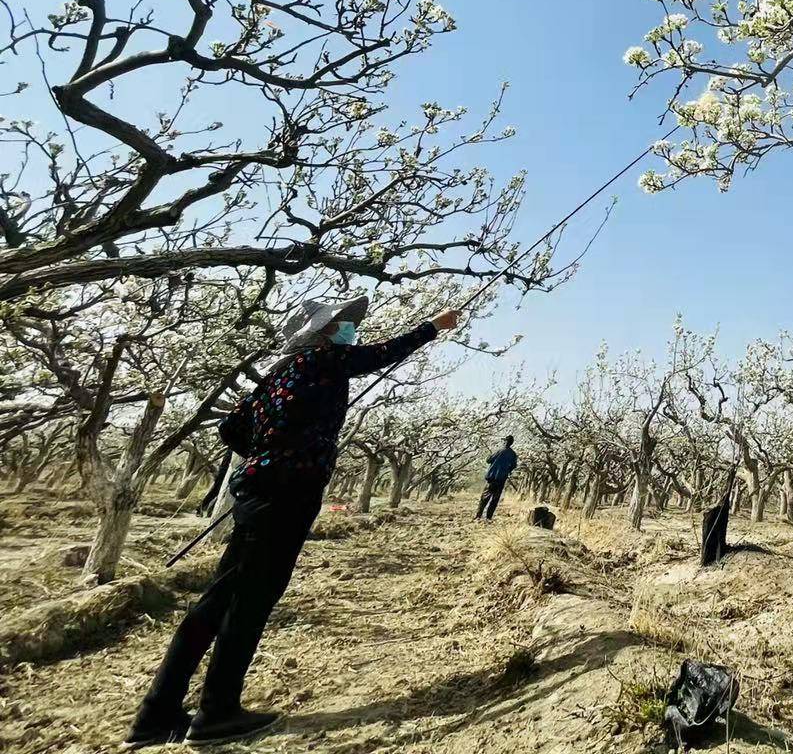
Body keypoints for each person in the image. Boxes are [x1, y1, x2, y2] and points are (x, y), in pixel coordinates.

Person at [126, 295, 455, 747]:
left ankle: (156, 713)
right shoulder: (324, 360)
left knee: (220, 597)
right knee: (251, 601)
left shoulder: (279, 374)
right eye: (339, 324)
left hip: (258, 491)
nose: (347, 329)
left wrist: (268, 452)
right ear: (319, 334)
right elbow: (381, 354)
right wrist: (432, 327)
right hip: (287, 496)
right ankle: (216, 712)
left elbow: (231, 429)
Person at [475, 435, 518, 521]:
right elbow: (513, 466)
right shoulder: (513, 454)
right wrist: (507, 470)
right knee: (495, 499)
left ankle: (478, 516)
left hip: (491, 478)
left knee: (484, 497)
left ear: (505, 442)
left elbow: (488, 460)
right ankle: (489, 517)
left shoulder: (498, 451)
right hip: (501, 479)